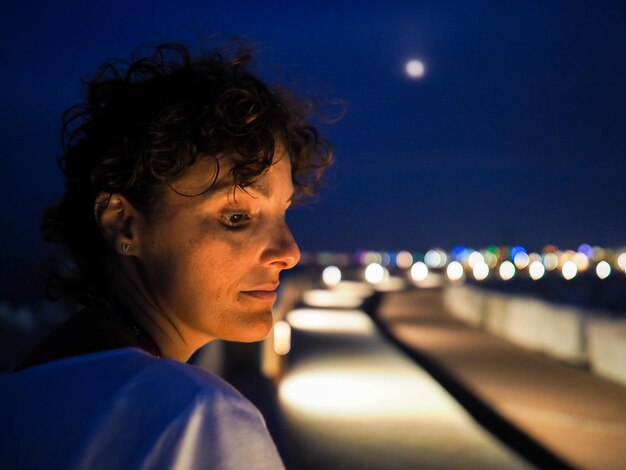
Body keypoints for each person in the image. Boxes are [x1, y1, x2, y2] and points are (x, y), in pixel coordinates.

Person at [0, 42, 331, 469]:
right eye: (236, 216)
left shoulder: (21, 398)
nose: (289, 252)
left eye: (283, 213)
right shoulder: (196, 420)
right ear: (125, 224)